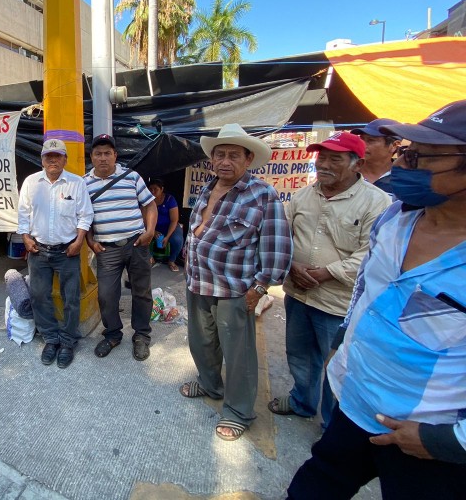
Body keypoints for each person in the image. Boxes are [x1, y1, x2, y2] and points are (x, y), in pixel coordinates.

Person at [288, 100, 466, 499]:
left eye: (422, 157)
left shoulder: (376, 204)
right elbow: (368, 286)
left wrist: (450, 441)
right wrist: (344, 340)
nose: (404, 166)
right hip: (358, 402)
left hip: (425, 437)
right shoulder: (397, 218)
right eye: (405, 152)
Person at [268, 131, 391, 428]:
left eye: (334, 159)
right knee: (299, 355)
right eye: (321, 157)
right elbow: (282, 233)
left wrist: (327, 272)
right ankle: (302, 402)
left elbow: (373, 252)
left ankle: (331, 425)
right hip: (298, 293)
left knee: (336, 365)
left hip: (339, 302)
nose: (323, 164)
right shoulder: (303, 195)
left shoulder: (378, 203)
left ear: (356, 164)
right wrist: (292, 264)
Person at [180, 123, 292, 442]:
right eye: (219, 155)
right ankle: (210, 384)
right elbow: (197, 229)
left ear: (248, 159)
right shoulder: (208, 186)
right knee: (201, 342)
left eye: (233, 155)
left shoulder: (262, 194)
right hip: (198, 281)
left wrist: (260, 288)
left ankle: (239, 410)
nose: (224, 161)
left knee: (239, 354)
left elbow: (277, 245)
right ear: (211, 160)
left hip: (235, 289)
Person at [17, 138, 93, 368]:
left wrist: (79, 241)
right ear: (42, 160)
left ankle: (68, 341)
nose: (53, 160)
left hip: (67, 251)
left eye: (57, 156)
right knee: (40, 296)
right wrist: (25, 238)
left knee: (71, 298)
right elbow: (23, 214)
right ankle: (51, 339)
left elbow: (85, 215)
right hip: (38, 251)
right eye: (48, 156)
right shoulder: (31, 182)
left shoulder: (76, 183)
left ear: (65, 159)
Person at [84, 134, 156, 361]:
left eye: (108, 153)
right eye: (98, 153)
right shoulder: (84, 183)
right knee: (106, 295)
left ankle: (142, 336)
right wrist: (90, 241)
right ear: (92, 157)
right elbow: (83, 217)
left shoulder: (131, 177)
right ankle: (113, 334)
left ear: (115, 155)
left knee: (142, 292)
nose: (103, 158)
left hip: (136, 243)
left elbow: (150, 204)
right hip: (107, 249)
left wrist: (150, 231)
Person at [351, 118, 403, 194]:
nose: (362, 145)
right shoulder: (346, 172)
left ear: (394, 145)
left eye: (371, 140)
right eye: (361, 139)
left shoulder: (405, 178)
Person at [147, 178, 184, 272]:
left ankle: (172, 260)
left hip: (170, 226)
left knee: (177, 240)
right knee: (142, 235)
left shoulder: (169, 199)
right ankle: (150, 257)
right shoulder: (146, 200)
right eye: (150, 189)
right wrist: (153, 231)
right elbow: (143, 219)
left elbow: (174, 220)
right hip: (152, 227)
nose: (152, 191)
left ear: (162, 189)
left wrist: (167, 237)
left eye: (156, 189)